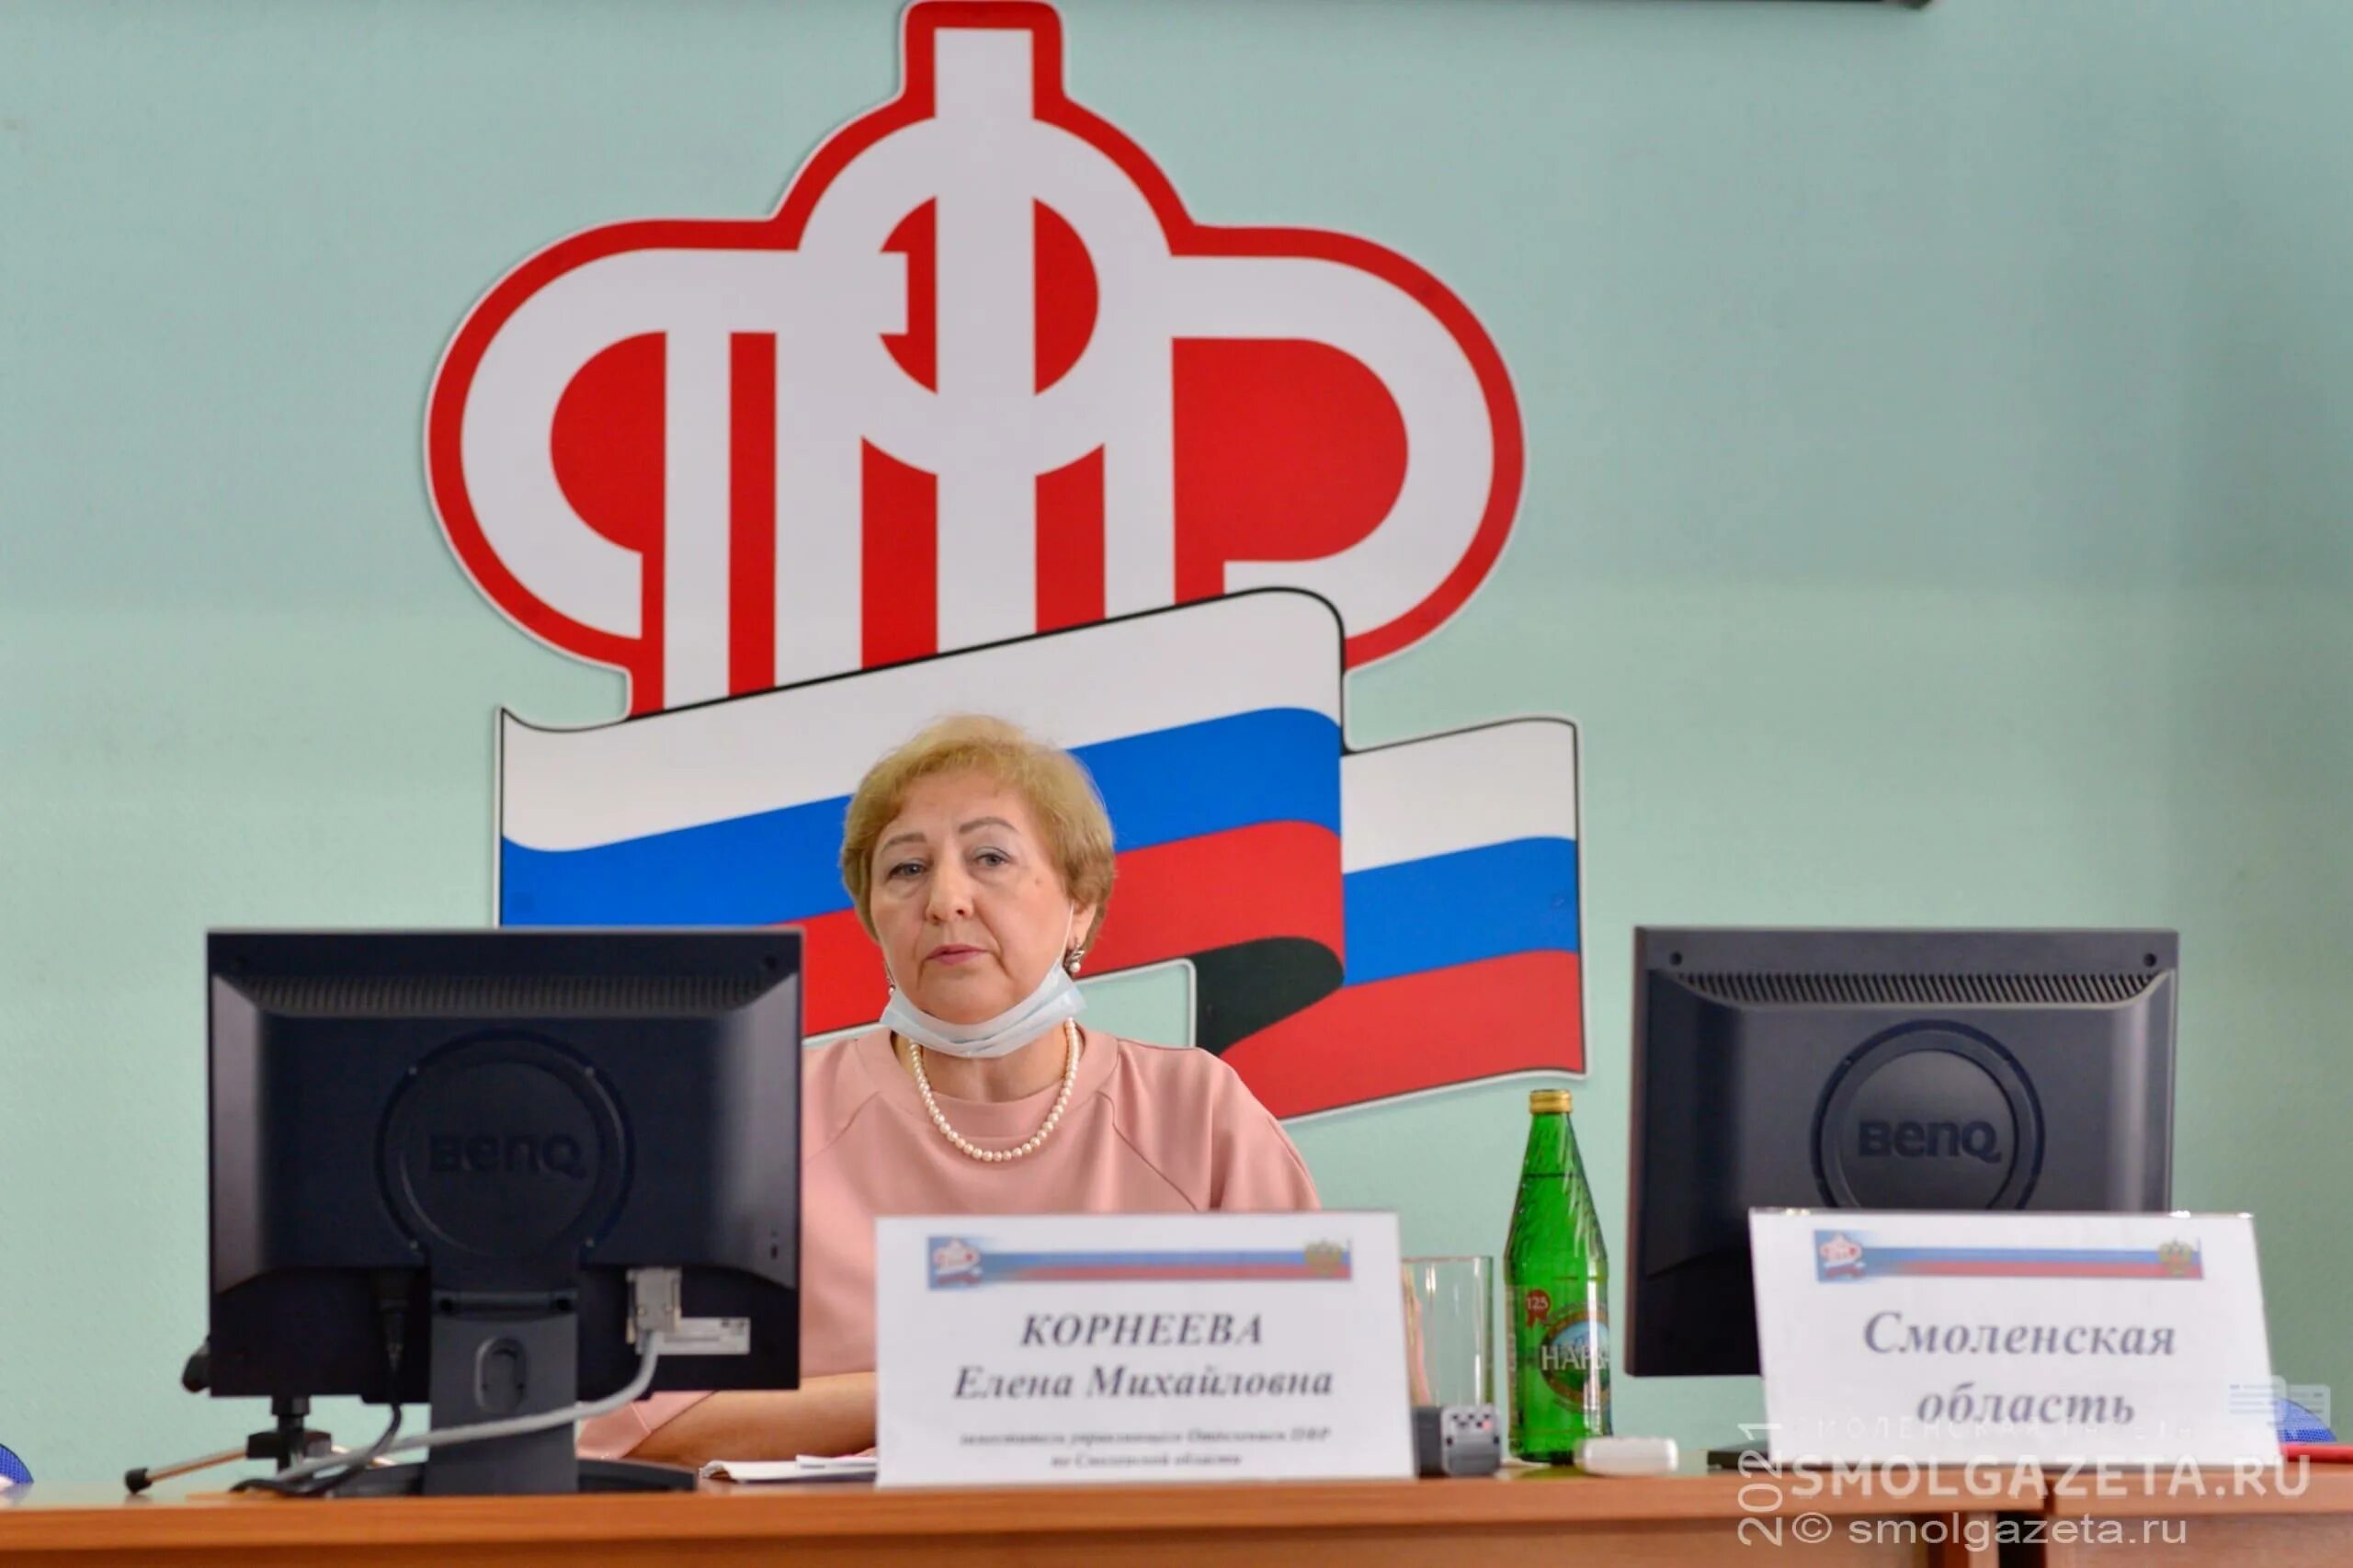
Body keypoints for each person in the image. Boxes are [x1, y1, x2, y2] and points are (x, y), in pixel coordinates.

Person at [582, 715, 1319, 1464]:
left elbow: (1321, 1395)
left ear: (1080, 906)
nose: (945, 900)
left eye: (990, 857)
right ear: (873, 915)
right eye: (906, 870)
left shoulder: (1196, 1113)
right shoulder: (761, 1125)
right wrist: (965, 1385)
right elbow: (645, 1436)